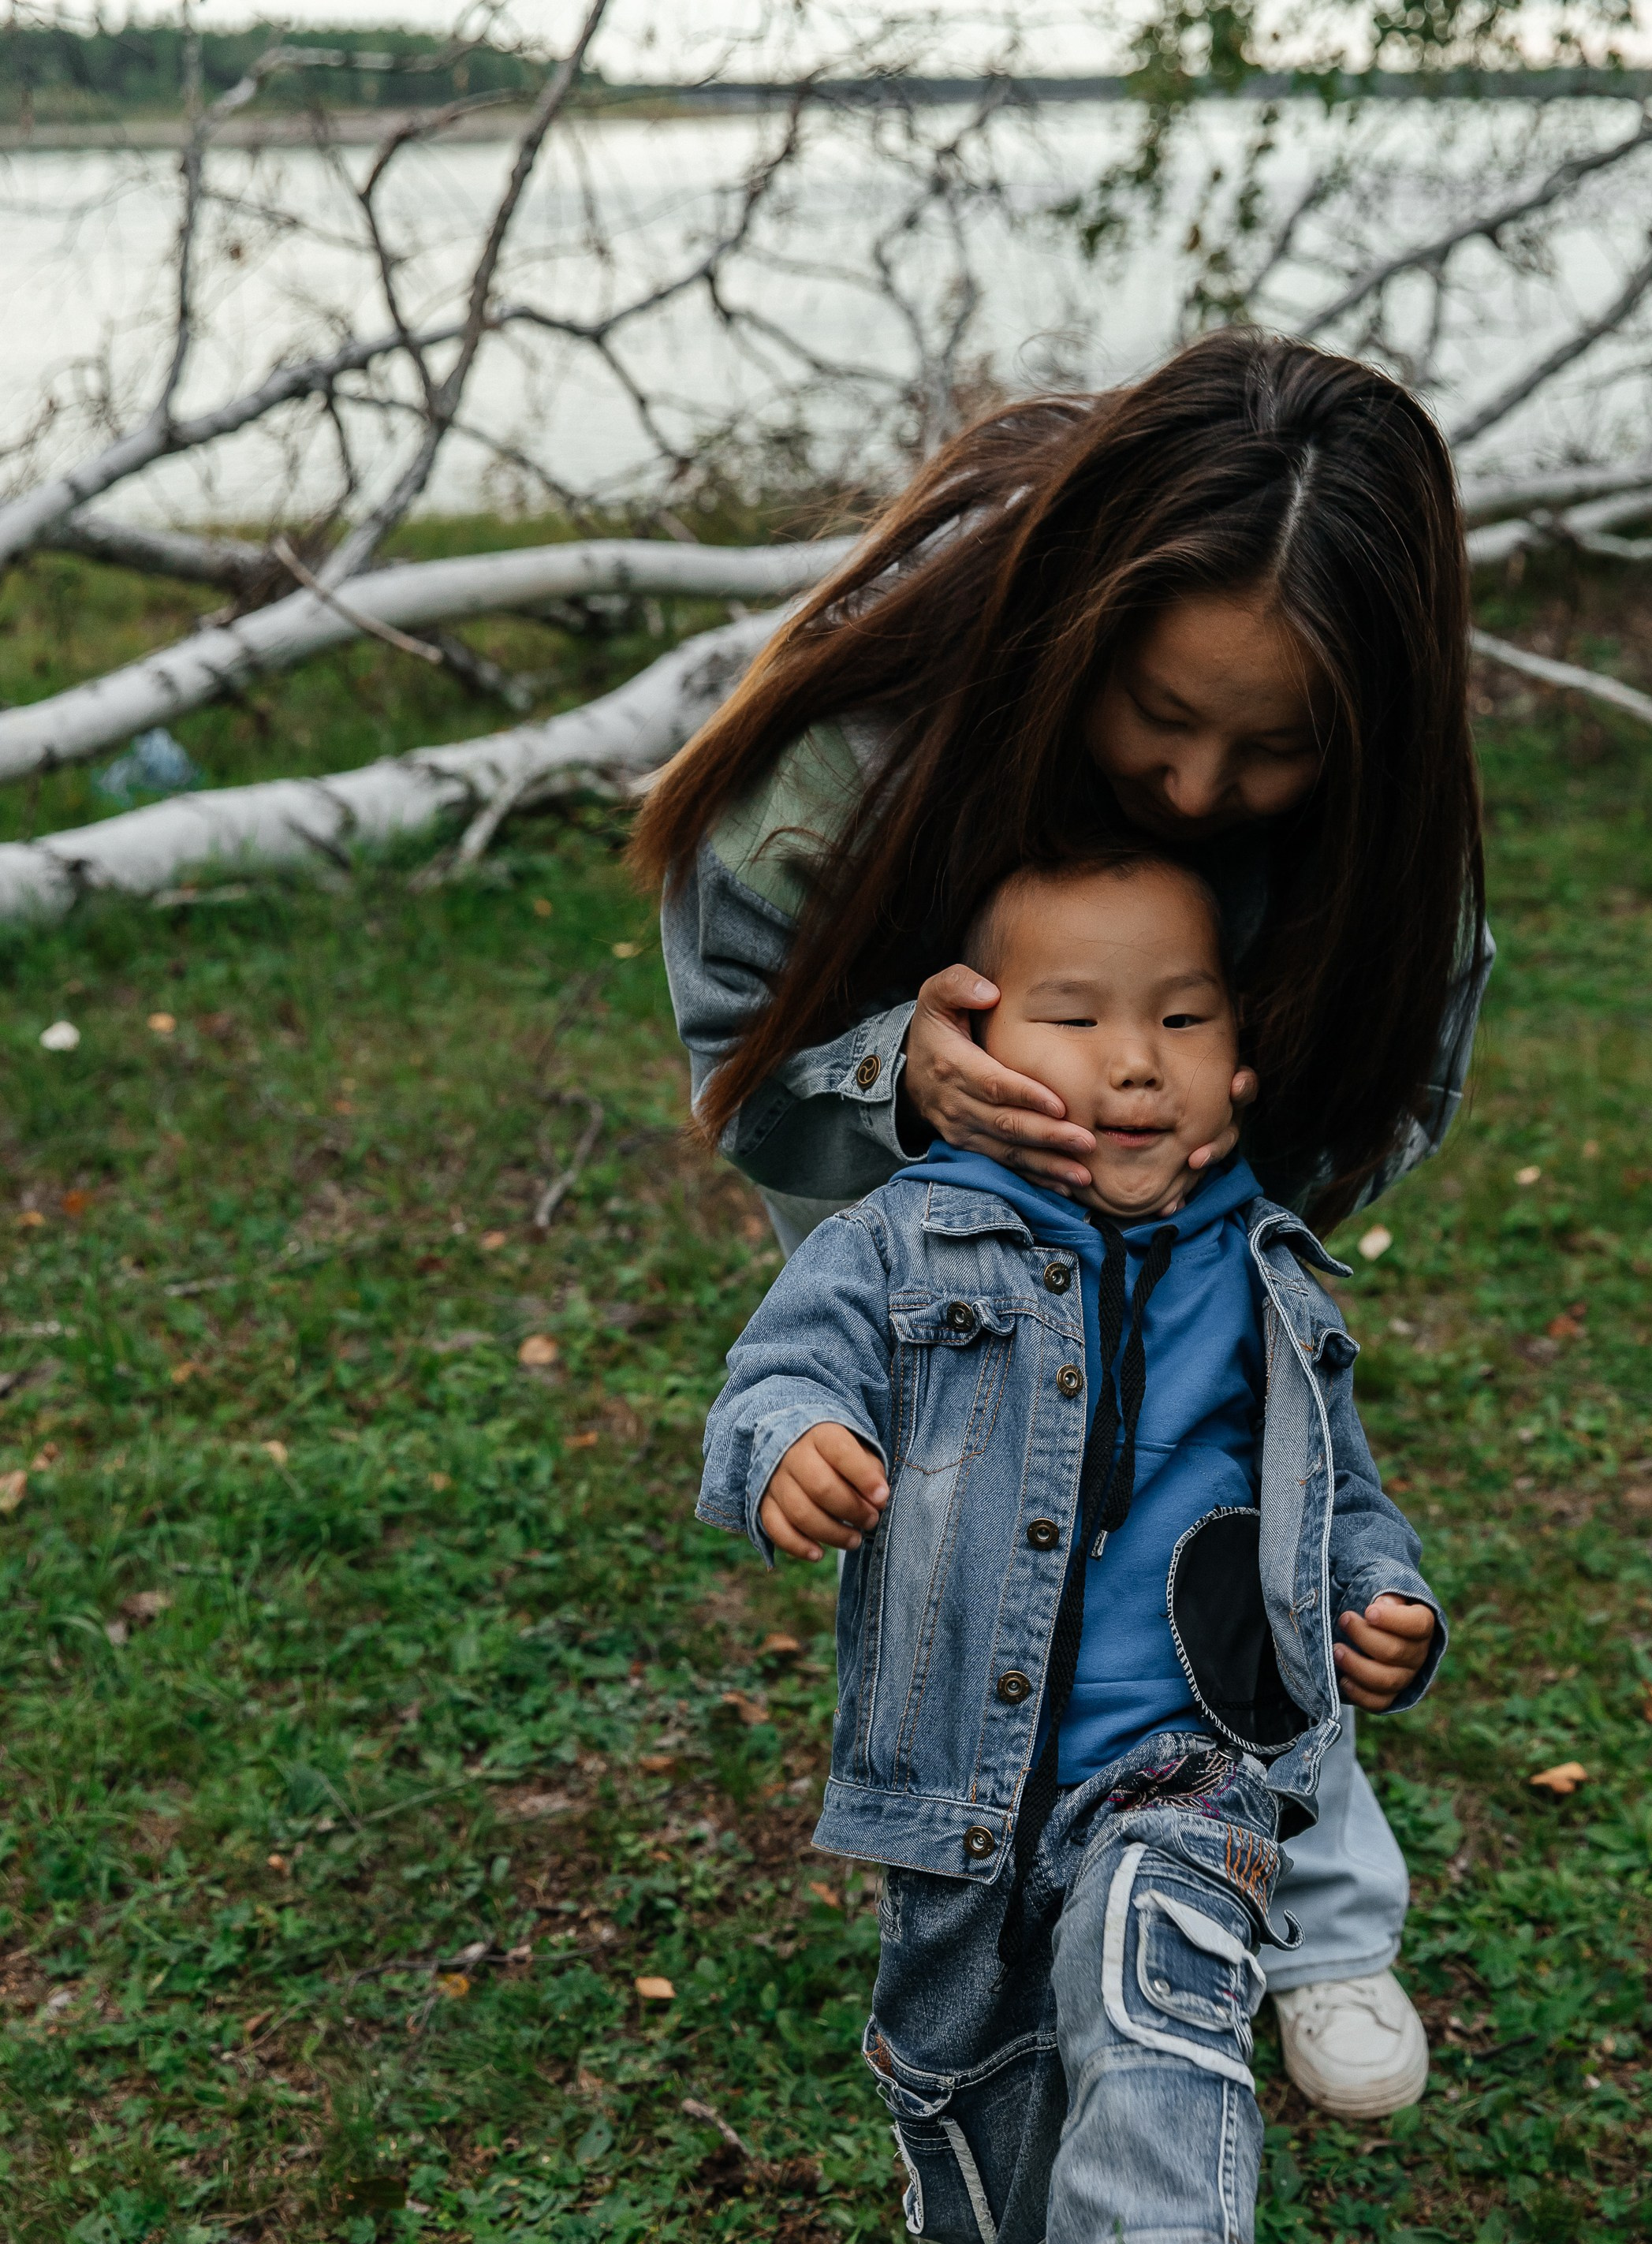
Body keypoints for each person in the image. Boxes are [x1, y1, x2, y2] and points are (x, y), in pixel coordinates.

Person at [634, 329, 1488, 2123]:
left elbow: (1391, 1081)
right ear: (1078, 626)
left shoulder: (1389, 844)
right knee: (990, 1529)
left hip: (1199, 1234)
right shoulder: (861, 747)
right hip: (925, 1241)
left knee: (1210, 1490)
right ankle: (1016, 1894)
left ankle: (1283, 1869)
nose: (1194, 789)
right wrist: (900, 1085)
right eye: (1159, 719)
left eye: (1273, 754)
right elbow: (738, 1041)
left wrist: (1199, 1204)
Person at [697, 851, 1445, 2244]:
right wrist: (791, 1448)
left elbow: (1339, 1493)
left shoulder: (1268, 1272)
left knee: (1158, 1985)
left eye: (1178, 1020)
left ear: (1238, 1066)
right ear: (966, 1046)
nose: (1129, 1064)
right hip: (948, 1781)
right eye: (1075, 1019)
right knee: (974, 2113)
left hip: (1180, 1764)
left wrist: (1379, 1600)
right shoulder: (907, 1231)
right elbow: (774, 1377)